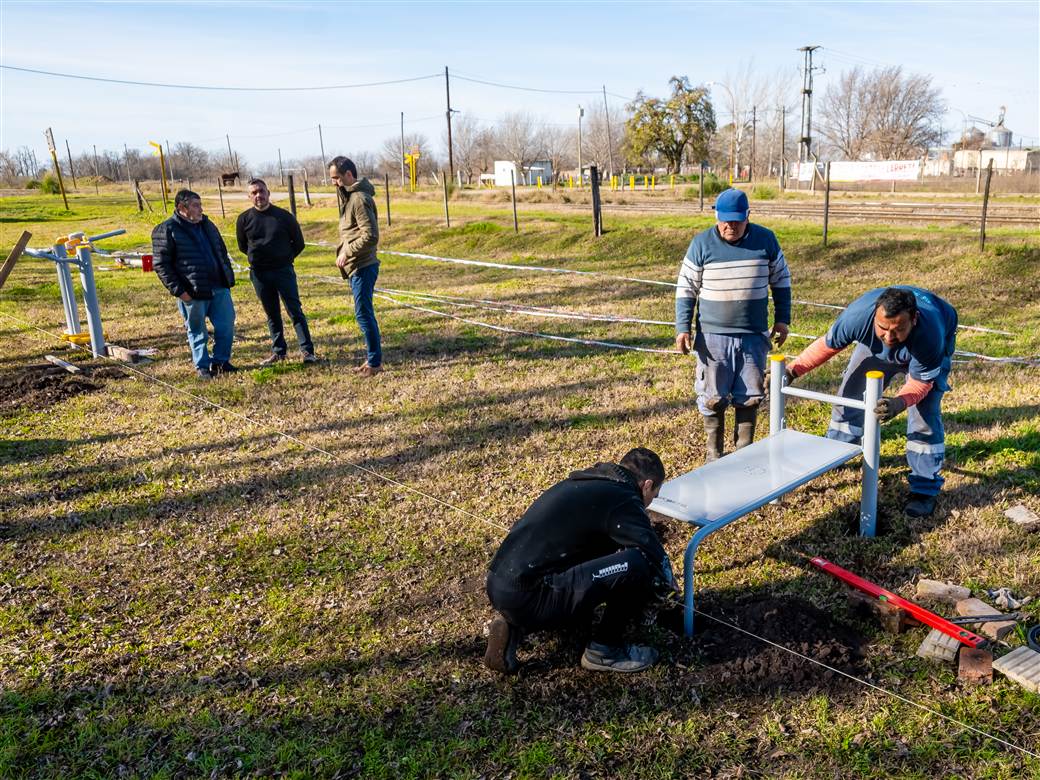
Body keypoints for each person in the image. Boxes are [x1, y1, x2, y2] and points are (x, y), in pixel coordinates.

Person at [484, 448, 676, 675]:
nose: (649, 504)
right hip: (533, 594)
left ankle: (515, 622)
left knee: (600, 550)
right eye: (653, 496)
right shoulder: (623, 498)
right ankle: (605, 649)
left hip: (500, 585)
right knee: (638, 563)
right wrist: (670, 592)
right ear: (646, 485)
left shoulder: (589, 482)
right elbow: (654, 554)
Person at [785, 286, 957, 518]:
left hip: (926, 347)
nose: (889, 337)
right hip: (873, 348)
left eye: (898, 330)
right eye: (883, 328)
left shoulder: (930, 333)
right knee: (849, 397)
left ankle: (924, 488)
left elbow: (920, 385)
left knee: (924, 414)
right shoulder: (857, 317)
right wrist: (791, 371)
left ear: (914, 320)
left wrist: (899, 403)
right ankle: (838, 451)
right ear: (875, 314)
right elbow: (826, 346)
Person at [674, 188, 792, 461]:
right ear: (716, 215)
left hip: (753, 336)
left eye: (737, 220)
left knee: (750, 395)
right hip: (713, 337)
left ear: (748, 215)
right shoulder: (701, 244)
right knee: (713, 397)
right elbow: (686, 288)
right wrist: (683, 327)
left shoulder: (766, 241)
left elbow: (781, 281)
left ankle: (743, 455)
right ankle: (713, 455)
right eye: (726, 219)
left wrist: (783, 319)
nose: (731, 225)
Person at [152, 189, 237, 380]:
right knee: (197, 331)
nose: (201, 209)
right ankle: (203, 366)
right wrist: (180, 292)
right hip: (193, 291)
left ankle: (221, 361)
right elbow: (161, 265)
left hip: (219, 287)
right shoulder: (167, 229)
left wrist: (227, 276)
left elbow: (221, 252)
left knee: (226, 326)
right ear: (182, 207)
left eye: (200, 204)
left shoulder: (207, 225)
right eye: (196, 205)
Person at [235, 178, 317, 365]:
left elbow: (299, 243)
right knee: (272, 313)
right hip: (260, 274)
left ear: (268, 193)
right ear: (249, 197)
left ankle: (307, 351)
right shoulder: (243, 219)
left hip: (283, 271)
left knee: (295, 311)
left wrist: (283, 259)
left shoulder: (284, 216)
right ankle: (279, 351)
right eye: (254, 193)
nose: (259, 196)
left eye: (262, 191)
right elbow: (242, 246)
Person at [329, 156, 382, 377]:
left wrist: (346, 252)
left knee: (363, 314)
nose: (334, 183)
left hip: (363, 265)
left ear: (349, 175)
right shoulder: (350, 196)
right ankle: (371, 359)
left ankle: (375, 363)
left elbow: (370, 236)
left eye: (336, 178)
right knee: (363, 313)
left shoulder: (359, 199)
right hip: (356, 266)